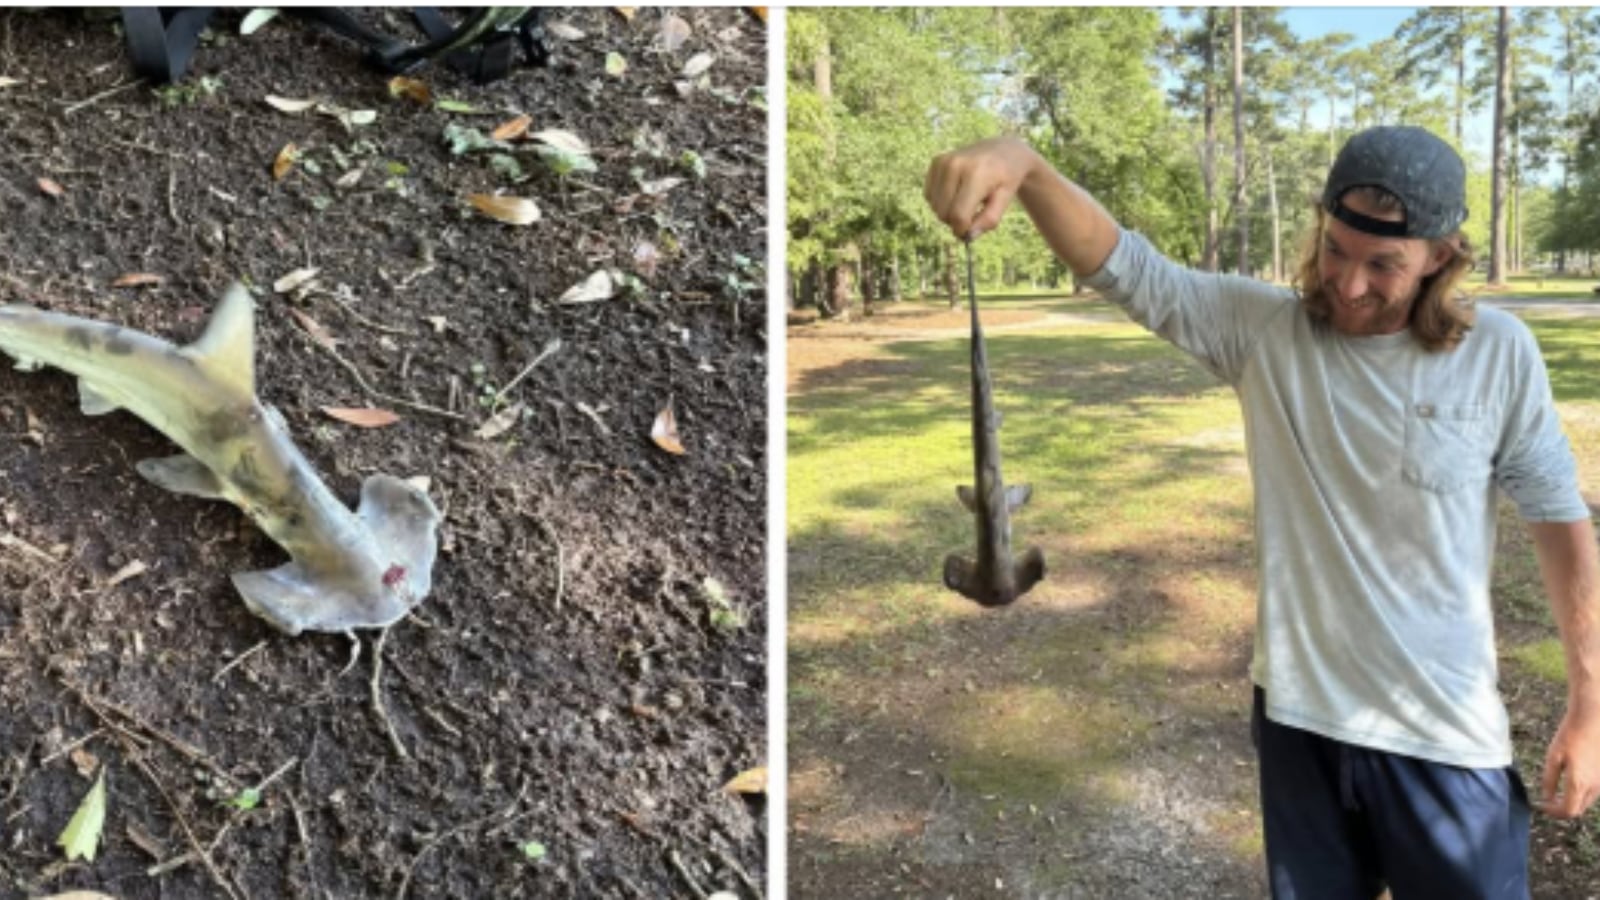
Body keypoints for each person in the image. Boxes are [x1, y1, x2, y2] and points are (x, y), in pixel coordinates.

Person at [925, 125, 1600, 899]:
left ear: (1440, 257)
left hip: (1443, 737)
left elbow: (1559, 525)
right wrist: (1027, 166)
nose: (1348, 284)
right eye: (1337, 249)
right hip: (1299, 723)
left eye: (1384, 265)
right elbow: (1129, 269)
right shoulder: (1264, 333)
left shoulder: (1498, 353)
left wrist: (1590, 707)